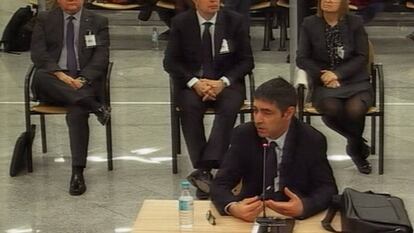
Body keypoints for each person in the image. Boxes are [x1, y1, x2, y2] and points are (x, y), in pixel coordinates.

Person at [210, 78, 338, 221]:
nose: (258, 119)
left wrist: (304, 206)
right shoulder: (244, 135)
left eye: (267, 113)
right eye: (255, 110)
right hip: (252, 216)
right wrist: (233, 207)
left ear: (288, 113)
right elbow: (220, 184)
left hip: (293, 218)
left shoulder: (311, 139)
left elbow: (327, 189)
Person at [164, 0, 254, 199]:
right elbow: (170, 62)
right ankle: (205, 171)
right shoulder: (181, 22)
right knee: (189, 106)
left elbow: (247, 61)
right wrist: (195, 82)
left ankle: (203, 170)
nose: (214, 1)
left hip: (227, 83)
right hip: (194, 83)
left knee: (229, 107)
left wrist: (222, 82)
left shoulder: (235, 21)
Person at [31, 0, 110, 196]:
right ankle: (93, 105)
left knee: (77, 112)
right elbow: (38, 54)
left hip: (83, 80)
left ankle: (77, 172)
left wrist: (83, 79)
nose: (72, 0)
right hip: (53, 79)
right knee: (41, 76)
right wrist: (61, 75)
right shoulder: (44, 19)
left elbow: (101, 57)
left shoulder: (98, 20)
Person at [296, 0, 373, 174]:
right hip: (324, 82)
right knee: (332, 109)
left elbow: (362, 56)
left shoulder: (355, 23)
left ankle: (356, 153)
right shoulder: (309, 24)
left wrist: (338, 74)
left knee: (355, 110)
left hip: (355, 80)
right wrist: (324, 76)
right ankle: (357, 143)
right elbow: (302, 58)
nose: (328, 1)